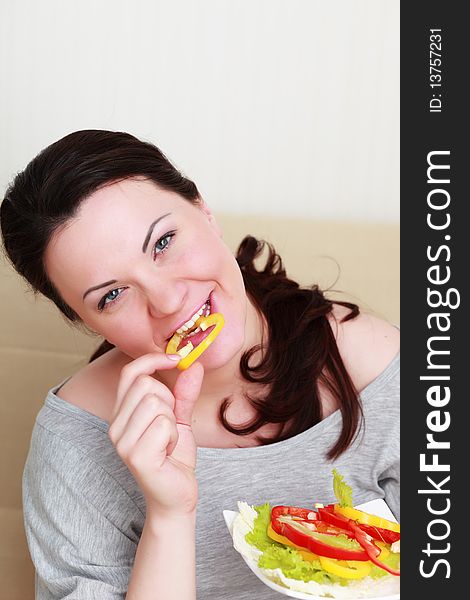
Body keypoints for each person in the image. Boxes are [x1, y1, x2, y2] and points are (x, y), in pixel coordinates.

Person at [0, 130, 400, 599]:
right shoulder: (74, 446)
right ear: (88, 323)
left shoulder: (378, 368)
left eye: (164, 241)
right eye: (111, 296)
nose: (168, 300)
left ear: (204, 211)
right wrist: (169, 516)